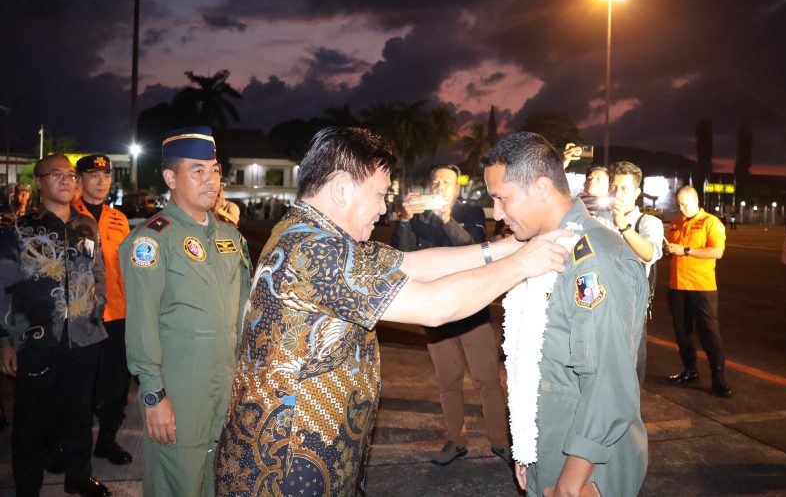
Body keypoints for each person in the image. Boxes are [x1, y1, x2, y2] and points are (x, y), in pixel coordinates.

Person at [214, 127, 571, 496]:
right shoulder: (315, 250)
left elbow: (411, 264)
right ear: (341, 189)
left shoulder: (315, 233)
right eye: (380, 194)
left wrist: (506, 249)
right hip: (286, 468)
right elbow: (436, 306)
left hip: (304, 455)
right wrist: (522, 263)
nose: (384, 208)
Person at [483, 132, 648, 497]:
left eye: (501, 198)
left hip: (587, 467)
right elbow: (534, 363)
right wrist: (527, 448)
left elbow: (609, 385)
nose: (497, 213)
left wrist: (570, 485)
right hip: (550, 448)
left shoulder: (594, 262)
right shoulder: (542, 248)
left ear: (541, 188)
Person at [120, 127, 252, 496]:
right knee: (176, 481)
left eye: (215, 170)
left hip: (226, 383)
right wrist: (153, 395)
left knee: (220, 478)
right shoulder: (151, 240)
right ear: (170, 178)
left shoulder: (230, 237)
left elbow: (244, 314)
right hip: (180, 388)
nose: (211, 180)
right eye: (197, 171)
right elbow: (142, 323)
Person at [0, 154, 111, 497]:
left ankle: (78, 476)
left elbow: (98, 273)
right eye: (56, 174)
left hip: (84, 338)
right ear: (39, 182)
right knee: (31, 421)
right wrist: (5, 341)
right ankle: (27, 486)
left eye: (71, 175)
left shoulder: (86, 226)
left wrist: (97, 310)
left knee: (79, 415)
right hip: (36, 341)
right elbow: (3, 287)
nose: (66, 179)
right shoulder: (17, 230)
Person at [392, 164, 511, 466]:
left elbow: (475, 249)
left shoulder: (470, 212)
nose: (439, 187)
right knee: (448, 382)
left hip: (472, 309)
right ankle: (456, 439)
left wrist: (446, 218)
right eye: (435, 182)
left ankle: (501, 441)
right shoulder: (417, 216)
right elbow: (402, 258)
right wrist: (404, 220)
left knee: (487, 380)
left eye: (446, 182)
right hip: (435, 312)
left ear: (457, 189)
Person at [73, 154, 134, 465]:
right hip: (80, 316)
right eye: (93, 175)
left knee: (116, 384)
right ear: (80, 180)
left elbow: (126, 267)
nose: (101, 181)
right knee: (80, 385)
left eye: (106, 175)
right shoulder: (69, 214)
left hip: (116, 314)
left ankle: (107, 440)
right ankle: (71, 445)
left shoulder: (118, 218)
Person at [664, 186, 732, 398]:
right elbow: (672, 251)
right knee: (682, 333)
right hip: (677, 286)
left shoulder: (710, 222)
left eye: (685, 204)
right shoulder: (675, 224)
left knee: (709, 333)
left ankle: (718, 378)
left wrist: (685, 250)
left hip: (702, 287)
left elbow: (717, 251)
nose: (682, 208)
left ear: (696, 200)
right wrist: (669, 250)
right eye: (679, 204)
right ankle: (690, 370)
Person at [607, 161, 664, 385]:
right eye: (614, 187)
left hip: (630, 309)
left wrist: (622, 225)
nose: (617, 193)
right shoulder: (600, 218)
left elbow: (649, 253)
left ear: (637, 193)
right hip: (599, 303)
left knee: (629, 372)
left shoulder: (648, 222)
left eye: (624, 188)